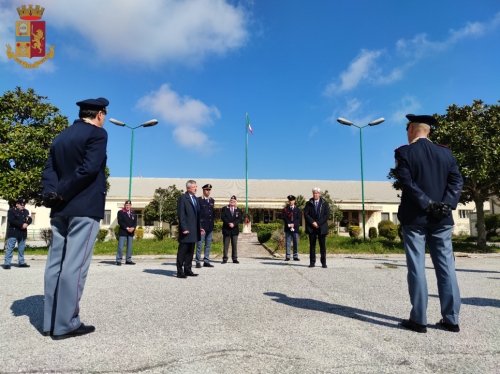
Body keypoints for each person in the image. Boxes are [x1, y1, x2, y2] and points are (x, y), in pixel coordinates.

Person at [40, 97, 109, 340]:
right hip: (84, 205)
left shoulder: (61, 137)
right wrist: (63, 192)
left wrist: (51, 193)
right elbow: (89, 169)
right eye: (105, 114)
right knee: (75, 266)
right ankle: (67, 324)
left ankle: (50, 322)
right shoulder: (98, 134)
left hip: (60, 209)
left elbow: (49, 170)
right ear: (100, 113)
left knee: (55, 265)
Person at [395, 114, 463, 334]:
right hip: (442, 219)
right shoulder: (446, 153)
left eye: (408, 129)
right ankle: (451, 319)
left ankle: (419, 319)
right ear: (429, 131)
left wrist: (428, 204)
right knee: (446, 267)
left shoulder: (404, 152)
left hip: (415, 218)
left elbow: (407, 183)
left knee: (417, 266)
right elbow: (456, 181)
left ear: (413, 129)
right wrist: (446, 205)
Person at [176, 180, 204, 278]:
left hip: (194, 230)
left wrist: (199, 227)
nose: (196, 188)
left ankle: (188, 269)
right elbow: (181, 215)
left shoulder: (195, 199)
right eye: (193, 187)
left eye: (196, 186)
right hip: (186, 230)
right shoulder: (183, 198)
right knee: (182, 251)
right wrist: (184, 228)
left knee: (190, 252)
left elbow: (197, 216)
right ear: (188, 188)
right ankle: (180, 271)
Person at [2, 198, 32, 269]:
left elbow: (30, 219)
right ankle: (7, 263)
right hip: (14, 232)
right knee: (10, 248)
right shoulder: (11, 211)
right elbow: (11, 220)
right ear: (17, 204)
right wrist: (21, 224)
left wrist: (26, 224)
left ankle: (21, 262)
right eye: (21, 205)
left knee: (21, 248)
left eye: (24, 205)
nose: (23, 206)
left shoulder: (26, 211)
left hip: (23, 232)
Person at [304, 187, 330, 268]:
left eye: (317, 193)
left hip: (321, 227)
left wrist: (318, 223)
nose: (315, 194)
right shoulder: (309, 203)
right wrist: (313, 222)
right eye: (314, 193)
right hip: (312, 227)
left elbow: (326, 215)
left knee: (322, 246)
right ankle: (312, 262)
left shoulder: (325, 203)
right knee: (312, 245)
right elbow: (306, 214)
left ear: (319, 194)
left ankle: (323, 263)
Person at [196, 184, 215, 268]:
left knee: (208, 244)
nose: (208, 191)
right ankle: (197, 261)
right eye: (207, 190)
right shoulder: (199, 200)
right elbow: (197, 214)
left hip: (210, 225)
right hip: (202, 226)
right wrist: (199, 226)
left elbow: (212, 214)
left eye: (209, 190)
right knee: (199, 244)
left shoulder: (212, 200)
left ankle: (206, 261)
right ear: (203, 190)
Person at [221, 195, 242, 264]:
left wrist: (234, 224)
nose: (232, 202)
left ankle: (234, 258)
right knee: (226, 245)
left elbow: (239, 219)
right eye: (231, 201)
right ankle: (225, 258)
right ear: (229, 201)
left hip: (234, 230)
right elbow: (223, 217)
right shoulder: (224, 209)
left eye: (234, 201)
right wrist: (229, 223)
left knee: (234, 245)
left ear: (236, 202)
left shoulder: (238, 210)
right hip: (227, 229)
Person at [115, 200, 137, 266]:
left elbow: (135, 222)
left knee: (129, 247)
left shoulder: (133, 213)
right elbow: (120, 221)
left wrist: (133, 228)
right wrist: (127, 228)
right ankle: (118, 260)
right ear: (125, 206)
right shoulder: (120, 212)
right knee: (121, 247)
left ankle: (128, 260)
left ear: (131, 206)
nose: (128, 206)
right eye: (126, 205)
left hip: (131, 232)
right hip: (123, 231)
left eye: (129, 205)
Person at [283, 195, 301, 261]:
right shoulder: (286, 209)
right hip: (288, 228)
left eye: (292, 200)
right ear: (288, 201)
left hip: (295, 228)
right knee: (288, 242)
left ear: (294, 201)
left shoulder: (298, 209)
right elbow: (284, 218)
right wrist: (289, 224)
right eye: (290, 200)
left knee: (295, 242)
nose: (291, 202)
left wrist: (294, 224)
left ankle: (295, 256)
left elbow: (299, 218)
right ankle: (288, 256)